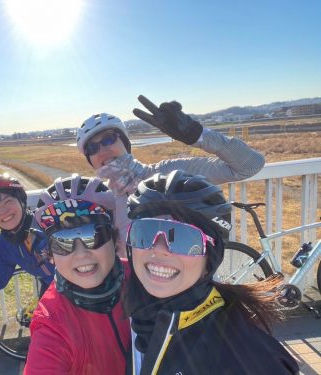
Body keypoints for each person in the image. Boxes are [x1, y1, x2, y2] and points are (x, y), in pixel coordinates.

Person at [124, 170, 298, 375]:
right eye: (145, 232)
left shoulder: (246, 357)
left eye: (184, 238)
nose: (159, 249)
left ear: (211, 258)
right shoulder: (139, 315)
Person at [76, 95, 265, 255]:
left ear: (125, 142)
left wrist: (197, 135)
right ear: (90, 160)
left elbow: (249, 165)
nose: (102, 149)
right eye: (92, 148)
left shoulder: (171, 175)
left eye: (109, 139)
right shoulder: (104, 202)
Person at [24, 174, 130, 375]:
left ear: (115, 239)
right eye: (62, 242)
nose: (81, 254)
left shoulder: (142, 277)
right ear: (51, 255)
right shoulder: (52, 324)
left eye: (94, 236)